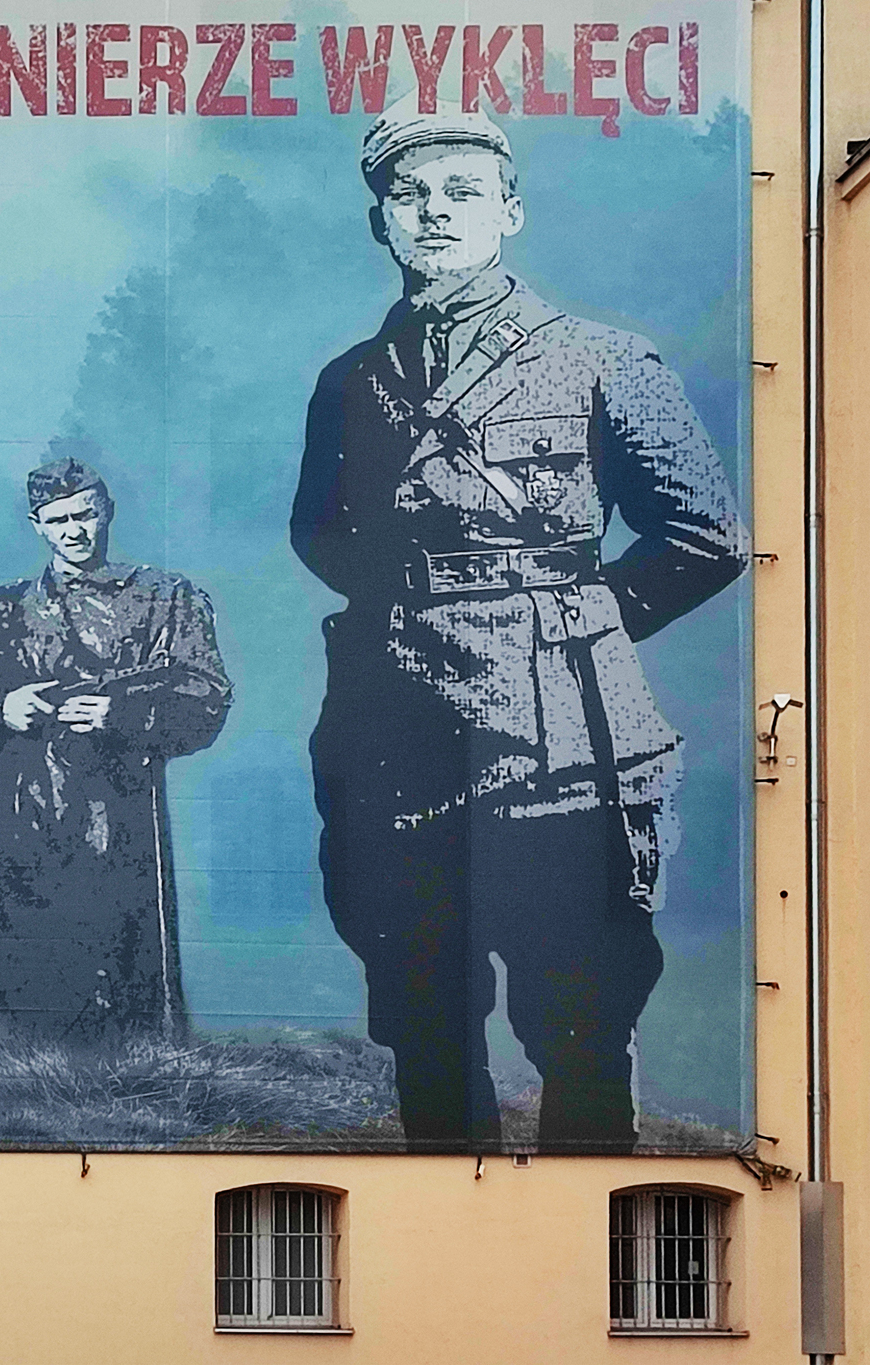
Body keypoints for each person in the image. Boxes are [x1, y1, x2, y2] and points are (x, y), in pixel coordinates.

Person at [290, 106, 748, 1153]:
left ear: (509, 210)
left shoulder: (600, 359)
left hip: (563, 737)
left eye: (459, 191)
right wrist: (423, 602)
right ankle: (443, 1265)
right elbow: (316, 534)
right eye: (410, 196)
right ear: (379, 224)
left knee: (576, 1014)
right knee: (420, 1010)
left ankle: (583, 1260)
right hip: (396, 731)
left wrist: (569, 621)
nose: (434, 212)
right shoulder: (348, 380)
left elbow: (705, 534)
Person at [0, 459, 232, 1038]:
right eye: (58, 519)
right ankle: (6, 1055)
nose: (74, 530)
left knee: (123, 953)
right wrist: (0, 708)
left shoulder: (168, 600)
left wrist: (124, 714)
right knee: (19, 948)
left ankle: (130, 1059)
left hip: (123, 808)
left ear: (107, 512)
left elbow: (206, 699)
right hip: (19, 807)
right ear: (37, 525)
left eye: (85, 514)